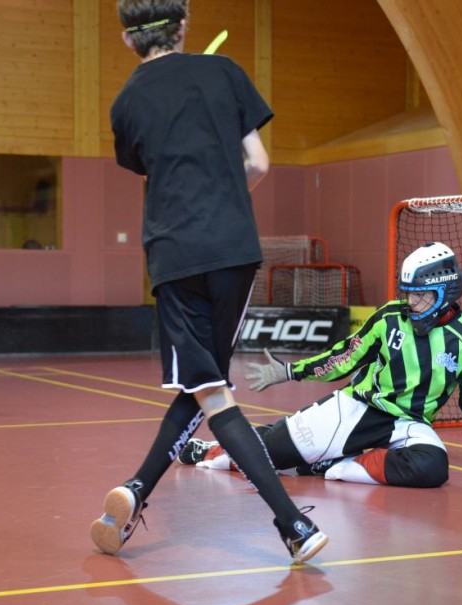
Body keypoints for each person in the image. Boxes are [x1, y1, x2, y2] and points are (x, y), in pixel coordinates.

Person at [90, 0, 327, 564]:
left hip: (176, 255)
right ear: (184, 26)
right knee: (205, 384)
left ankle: (292, 524)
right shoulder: (227, 73)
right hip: (234, 251)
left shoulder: (126, 104)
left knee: (211, 392)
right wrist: (223, 207)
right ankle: (136, 489)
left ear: (128, 40)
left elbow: (154, 170)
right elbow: (260, 164)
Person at [177, 242, 462, 487]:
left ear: (445, 293)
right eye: (409, 294)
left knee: (433, 468)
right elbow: (345, 356)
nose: (412, 302)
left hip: (407, 424)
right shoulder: (390, 317)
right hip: (357, 407)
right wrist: (290, 371)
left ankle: (337, 466)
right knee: (271, 456)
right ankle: (212, 450)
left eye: (422, 296)